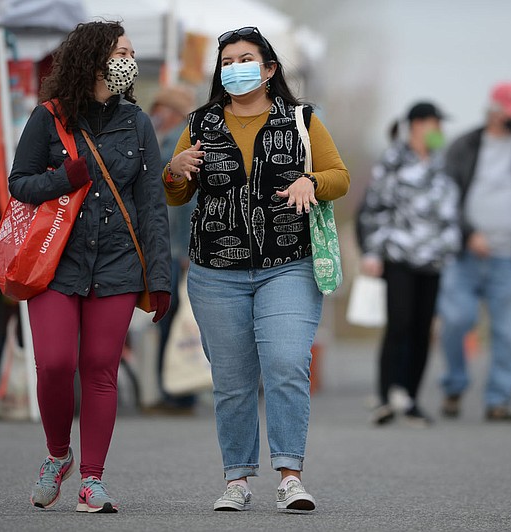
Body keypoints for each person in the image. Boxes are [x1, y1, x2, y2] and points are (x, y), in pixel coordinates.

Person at [162, 26, 349, 512]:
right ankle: (237, 480)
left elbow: (340, 177)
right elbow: (176, 192)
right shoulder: (200, 122)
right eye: (227, 62)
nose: (235, 68)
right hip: (215, 271)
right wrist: (175, 167)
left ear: (269, 69)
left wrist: (312, 180)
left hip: (287, 264)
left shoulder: (301, 119)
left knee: (287, 363)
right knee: (232, 378)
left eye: (246, 59)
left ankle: (290, 475)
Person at [8, 21, 171, 513]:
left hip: (119, 262)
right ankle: (58, 456)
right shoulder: (49, 118)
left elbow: (151, 205)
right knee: (56, 363)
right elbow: (19, 184)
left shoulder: (137, 123)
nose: (128, 60)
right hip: (57, 260)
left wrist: (159, 278)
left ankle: (92, 480)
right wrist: (64, 178)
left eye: (131, 52)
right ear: (92, 59)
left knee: (100, 368)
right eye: (120, 51)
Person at [437, 82, 511, 422]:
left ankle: (499, 400)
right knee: (456, 320)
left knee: (508, 333)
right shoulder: (464, 147)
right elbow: (445, 197)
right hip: (465, 257)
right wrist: (469, 233)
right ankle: (455, 384)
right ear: (494, 112)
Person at [356, 102, 460, 427]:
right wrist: (371, 252)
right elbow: (374, 207)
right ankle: (385, 398)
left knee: (422, 328)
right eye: (434, 123)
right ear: (416, 125)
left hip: (433, 259)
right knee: (399, 325)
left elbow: (451, 209)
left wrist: (450, 246)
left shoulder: (442, 164)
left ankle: (411, 398)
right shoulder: (393, 160)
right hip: (399, 255)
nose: (439, 131)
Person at [147, 85, 198, 413]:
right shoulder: (170, 138)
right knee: (172, 318)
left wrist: (184, 249)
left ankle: (177, 394)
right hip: (170, 245)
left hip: (175, 247)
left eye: (161, 108)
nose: (156, 114)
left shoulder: (178, 141)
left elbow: (186, 203)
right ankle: (175, 391)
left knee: (172, 318)